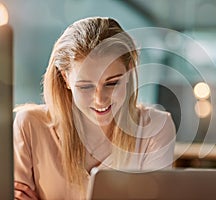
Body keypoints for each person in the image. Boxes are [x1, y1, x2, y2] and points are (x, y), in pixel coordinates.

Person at [14, 17, 176, 200]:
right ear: (66, 78)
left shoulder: (156, 128)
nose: (100, 99)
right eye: (85, 86)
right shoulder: (29, 125)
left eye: (112, 83)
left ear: (130, 71)